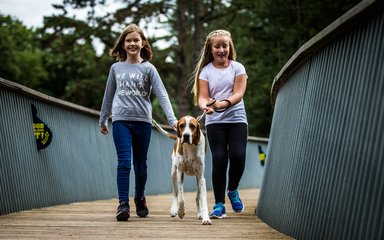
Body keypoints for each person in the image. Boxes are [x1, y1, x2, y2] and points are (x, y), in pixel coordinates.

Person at [99, 23, 177, 221]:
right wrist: (103, 119)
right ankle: (122, 204)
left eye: (136, 40)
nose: (132, 43)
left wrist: (173, 120)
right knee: (124, 163)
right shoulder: (116, 68)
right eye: (128, 40)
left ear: (143, 43)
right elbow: (108, 95)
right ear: (123, 44)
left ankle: (140, 197)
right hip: (121, 121)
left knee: (141, 165)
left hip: (143, 122)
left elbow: (162, 95)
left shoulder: (149, 69)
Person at [191, 29, 248, 219]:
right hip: (215, 122)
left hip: (237, 119)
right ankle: (219, 204)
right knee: (219, 158)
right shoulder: (206, 71)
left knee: (238, 156)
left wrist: (222, 104)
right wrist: (205, 106)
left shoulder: (238, 68)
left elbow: (239, 94)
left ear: (230, 47)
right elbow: (202, 97)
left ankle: (232, 190)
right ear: (211, 49)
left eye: (225, 45)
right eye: (217, 46)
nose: (221, 49)